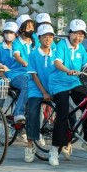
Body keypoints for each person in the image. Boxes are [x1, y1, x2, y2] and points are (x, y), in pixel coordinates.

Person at [47, 19, 87, 166]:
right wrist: (67, 70)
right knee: (63, 114)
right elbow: (57, 62)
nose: (78, 38)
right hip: (59, 84)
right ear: (69, 33)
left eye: (81, 35)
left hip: (75, 82)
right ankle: (54, 150)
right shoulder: (61, 45)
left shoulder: (81, 48)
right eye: (75, 34)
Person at [24, 23, 58, 162]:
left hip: (53, 88)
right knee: (32, 112)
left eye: (50, 36)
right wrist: (44, 92)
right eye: (45, 36)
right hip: (36, 89)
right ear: (39, 38)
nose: (48, 39)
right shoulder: (33, 54)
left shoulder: (56, 53)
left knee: (68, 109)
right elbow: (34, 75)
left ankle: (66, 142)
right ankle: (30, 145)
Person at [0, 20, 31, 129]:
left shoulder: (19, 46)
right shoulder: (0, 48)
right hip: (1, 79)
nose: (8, 35)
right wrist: (5, 79)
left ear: (16, 34)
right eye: (6, 32)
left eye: (11, 32)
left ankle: (19, 129)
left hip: (16, 77)